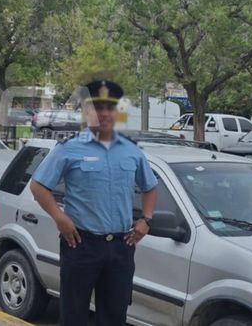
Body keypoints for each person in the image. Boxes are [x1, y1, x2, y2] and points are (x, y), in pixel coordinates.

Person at [29, 79, 158, 326]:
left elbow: (150, 187)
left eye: (110, 108)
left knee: (114, 316)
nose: (104, 114)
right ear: (86, 111)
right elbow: (38, 185)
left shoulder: (132, 151)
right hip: (81, 244)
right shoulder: (68, 148)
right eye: (97, 108)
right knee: (73, 316)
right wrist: (60, 218)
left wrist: (147, 220)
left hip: (121, 247)